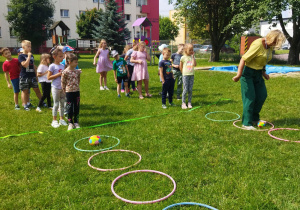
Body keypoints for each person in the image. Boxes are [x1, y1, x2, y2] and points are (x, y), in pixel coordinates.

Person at [232, 30, 286, 130]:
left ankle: (254, 119)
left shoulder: (269, 47)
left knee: (262, 95)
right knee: (250, 97)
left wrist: (264, 73)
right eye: (275, 42)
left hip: (258, 74)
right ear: (271, 38)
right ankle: (246, 123)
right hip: (247, 73)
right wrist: (239, 75)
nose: (275, 45)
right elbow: (243, 59)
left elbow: (263, 60)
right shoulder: (258, 44)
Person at [18, 40, 42, 111]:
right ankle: (25, 105)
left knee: (37, 89)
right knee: (25, 91)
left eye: (30, 47)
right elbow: (25, 65)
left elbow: (33, 66)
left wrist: (36, 75)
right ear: (23, 47)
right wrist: (28, 57)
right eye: (28, 46)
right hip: (24, 76)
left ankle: (42, 102)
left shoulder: (32, 56)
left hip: (32, 76)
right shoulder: (21, 56)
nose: (30, 48)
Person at [48, 48, 68, 128]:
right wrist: (58, 74)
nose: (62, 58)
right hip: (55, 88)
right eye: (60, 56)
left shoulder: (62, 65)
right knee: (56, 104)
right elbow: (49, 77)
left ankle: (61, 119)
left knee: (62, 104)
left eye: (62, 56)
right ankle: (54, 120)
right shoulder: (52, 66)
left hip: (62, 88)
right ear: (54, 56)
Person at [61, 53, 82, 131]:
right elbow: (63, 82)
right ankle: (70, 122)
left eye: (77, 62)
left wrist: (76, 86)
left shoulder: (77, 71)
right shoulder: (65, 72)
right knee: (69, 107)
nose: (77, 63)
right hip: (69, 92)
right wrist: (64, 89)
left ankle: (76, 122)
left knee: (76, 107)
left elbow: (78, 80)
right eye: (75, 62)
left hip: (76, 91)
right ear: (69, 62)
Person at [179, 43, 197, 109]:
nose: (192, 51)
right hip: (185, 75)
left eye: (192, 50)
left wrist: (193, 57)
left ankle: (189, 102)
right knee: (185, 89)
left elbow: (195, 64)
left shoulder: (192, 57)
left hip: (191, 75)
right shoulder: (183, 57)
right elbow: (180, 66)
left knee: (190, 89)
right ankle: (183, 103)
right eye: (190, 50)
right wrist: (182, 72)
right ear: (186, 50)